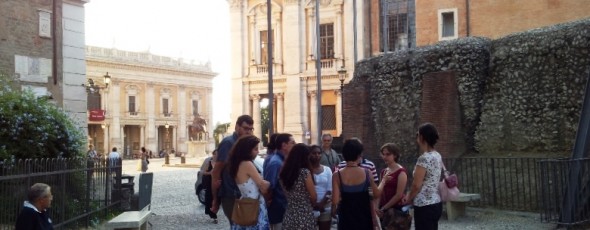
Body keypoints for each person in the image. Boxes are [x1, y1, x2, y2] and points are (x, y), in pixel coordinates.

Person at [211, 115, 254, 226]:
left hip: (243, 194)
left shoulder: (245, 144)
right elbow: (216, 171)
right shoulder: (228, 143)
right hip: (231, 194)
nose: (248, 132)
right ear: (237, 127)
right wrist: (215, 199)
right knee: (237, 226)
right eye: (245, 128)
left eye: (250, 129)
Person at [331, 138, 381, 230]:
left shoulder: (336, 175)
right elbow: (376, 194)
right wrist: (384, 181)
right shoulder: (367, 172)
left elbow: (335, 200)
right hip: (364, 217)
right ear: (359, 154)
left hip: (346, 217)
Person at [403, 123, 443, 230]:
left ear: (421, 137)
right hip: (436, 202)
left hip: (424, 204)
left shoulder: (424, 158)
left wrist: (408, 198)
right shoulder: (437, 155)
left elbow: (416, 185)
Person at [228, 135, 270, 230]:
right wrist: (269, 183)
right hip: (255, 206)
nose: (258, 152)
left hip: (245, 204)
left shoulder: (237, 164)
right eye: (255, 149)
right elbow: (262, 186)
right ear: (247, 150)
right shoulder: (247, 164)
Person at [279, 143, 317, 230]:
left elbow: (286, 194)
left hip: (289, 214)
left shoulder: (283, 173)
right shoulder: (304, 173)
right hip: (304, 215)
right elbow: (314, 196)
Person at [263, 133, 295, 230]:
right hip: (278, 209)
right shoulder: (276, 163)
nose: (295, 144)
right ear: (284, 145)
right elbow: (269, 187)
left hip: (284, 207)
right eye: (292, 142)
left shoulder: (283, 160)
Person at [376, 143, 408, 229]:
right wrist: (377, 208)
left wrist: (384, 208)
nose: (385, 157)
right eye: (383, 154)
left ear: (395, 155)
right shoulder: (383, 172)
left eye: (388, 154)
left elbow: (399, 194)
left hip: (396, 209)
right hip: (383, 209)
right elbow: (380, 191)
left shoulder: (401, 172)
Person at [309, 145, 333, 230]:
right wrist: (314, 205)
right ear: (309, 154)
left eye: (319, 153)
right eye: (314, 153)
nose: (317, 155)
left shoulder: (327, 170)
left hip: (325, 205)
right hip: (310, 206)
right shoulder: (306, 170)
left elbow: (330, 189)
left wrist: (321, 204)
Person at [203, 149, 218, 224]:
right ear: (213, 155)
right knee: (210, 199)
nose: (216, 155)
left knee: (217, 199)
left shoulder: (220, 163)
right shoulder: (209, 162)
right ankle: (214, 216)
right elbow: (204, 172)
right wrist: (210, 173)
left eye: (217, 154)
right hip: (209, 183)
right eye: (215, 154)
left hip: (218, 183)